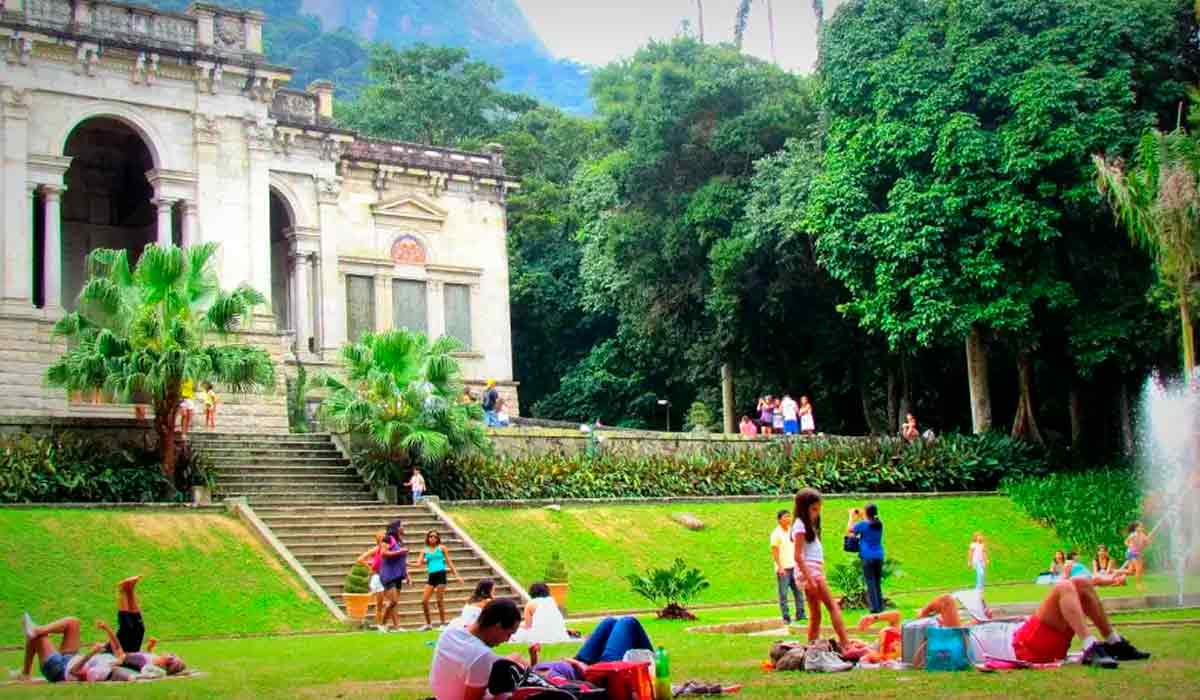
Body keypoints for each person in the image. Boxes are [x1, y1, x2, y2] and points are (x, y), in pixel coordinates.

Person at [888, 580, 1150, 668]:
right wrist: (924, 611)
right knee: (1063, 587)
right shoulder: (956, 640)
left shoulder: (967, 635)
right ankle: (1092, 646)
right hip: (1023, 645)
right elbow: (945, 601)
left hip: (1030, 641)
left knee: (1081, 585)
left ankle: (1114, 642)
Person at [428, 598, 537, 700]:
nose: (507, 640)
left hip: (440, 695)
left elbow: (466, 658)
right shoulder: (482, 656)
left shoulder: (451, 630)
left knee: (513, 661)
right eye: (508, 634)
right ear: (497, 626)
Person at [791, 488, 850, 647]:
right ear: (803, 508)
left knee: (816, 614)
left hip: (812, 571)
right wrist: (810, 579)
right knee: (833, 606)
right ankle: (846, 644)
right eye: (814, 509)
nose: (817, 513)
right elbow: (798, 556)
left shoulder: (807, 525)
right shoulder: (800, 526)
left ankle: (811, 646)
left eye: (818, 509)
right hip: (810, 573)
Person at [98, 575, 186, 676]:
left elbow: (119, 654)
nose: (170, 653)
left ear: (165, 663)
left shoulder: (144, 664)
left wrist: (106, 629)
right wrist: (150, 647)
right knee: (139, 629)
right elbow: (146, 655)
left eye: (171, 656)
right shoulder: (154, 661)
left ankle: (122, 590)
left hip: (113, 653)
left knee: (128, 628)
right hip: (130, 650)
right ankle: (130, 590)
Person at [419, 530, 464, 630]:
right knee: (424, 601)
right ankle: (428, 624)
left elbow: (449, 562)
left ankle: (443, 624)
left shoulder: (442, 548)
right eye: (430, 536)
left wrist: (457, 575)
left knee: (439, 600)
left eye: (435, 536)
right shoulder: (424, 550)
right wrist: (406, 564)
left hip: (441, 574)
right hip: (431, 576)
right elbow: (419, 563)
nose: (432, 538)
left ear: (438, 538)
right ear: (428, 538)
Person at [769, 509, 805, 624]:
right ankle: (786, 617)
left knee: (799, 591)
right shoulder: (776, 534)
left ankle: (801, 615)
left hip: (795, 566)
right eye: (785, 517)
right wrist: (779, 567)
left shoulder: (792, 531)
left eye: (789, 516)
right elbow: (774, 551)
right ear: (779, 520)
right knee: (783, 594)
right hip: (784, 568)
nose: (788, 519)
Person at [849, 503, 886, 613]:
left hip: (867, 556)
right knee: (877, 582)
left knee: (870, 582)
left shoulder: (864, 525)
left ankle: (874, 608)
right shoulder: (879, 524)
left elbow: (850, 529)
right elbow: (867, 522)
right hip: (879, 556)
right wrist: (862, 515)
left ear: (866, 513)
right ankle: (880, 606)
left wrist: (851, 516)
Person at [354, 532, 389, 629]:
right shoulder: (376, 549)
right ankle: (379, 624)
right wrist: (370, 567)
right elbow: (360, 559)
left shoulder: (387, 549)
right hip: (378, 577)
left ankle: (381, 623)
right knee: (380, 603)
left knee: (387, 602)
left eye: (384, 537)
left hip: (387, 577)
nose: (383, 540)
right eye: (381, 538)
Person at [1122, 521, 1153, 591]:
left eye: (1142, 526)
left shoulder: (1143, 535)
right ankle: (1138, 585)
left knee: (1135, 570)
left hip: (1138, 553)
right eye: (1140, 527)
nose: (1142, 528)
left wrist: (1149, 540)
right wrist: (1130, 545)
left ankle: (1116, 572)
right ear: (1135, 528)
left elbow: (1147, 543)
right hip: (1131, 553)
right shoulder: (1133, 535)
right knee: (1138, 569)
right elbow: (1126, 542)